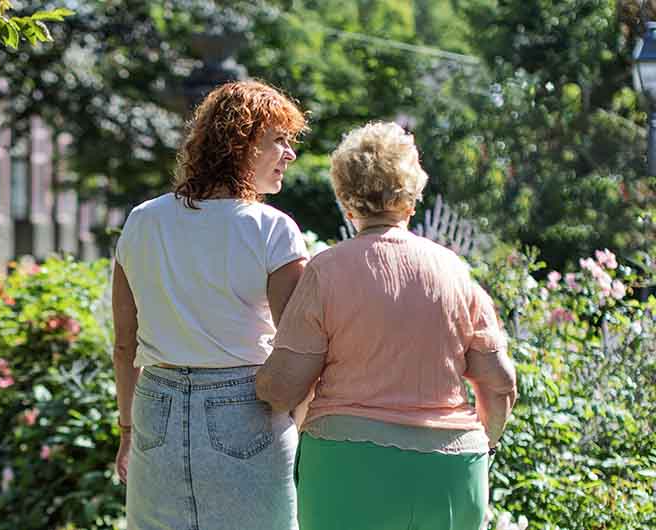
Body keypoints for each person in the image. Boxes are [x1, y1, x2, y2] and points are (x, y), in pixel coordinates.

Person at [256, 121, 517, 530]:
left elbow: (284, 386)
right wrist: (488, 441)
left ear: (347, 202)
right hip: (451, 467)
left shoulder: (327, 270)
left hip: (346, 463)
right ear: (412, 200)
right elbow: (499, 381)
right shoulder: (453, 269)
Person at [112, 80, 308, 530]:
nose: (289, 155)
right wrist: (298, 427)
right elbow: (299, 351)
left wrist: (127, 434)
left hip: (154, 408)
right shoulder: (273, 230)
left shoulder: (141, 221)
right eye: (278, 140)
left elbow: (125, 347)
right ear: (241, 143)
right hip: (247, 410)